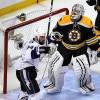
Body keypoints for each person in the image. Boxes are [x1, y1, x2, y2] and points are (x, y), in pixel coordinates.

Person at [44, 4, 99, 94]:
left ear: (81, 13)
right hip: (64, 46)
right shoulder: (63, 20)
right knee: (54, 65)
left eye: (77, 13)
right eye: (73, 12)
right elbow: (55, 33)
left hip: (80, 47)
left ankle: (86, 84)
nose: (74, 15)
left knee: (82, 68)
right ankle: (54, 84)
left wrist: (94, 50)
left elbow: (91, 38)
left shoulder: (87, 22)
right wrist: (52, 42)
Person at [15, 29, 50, 100]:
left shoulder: (36, 42)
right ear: (36, 37)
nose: (43, 39)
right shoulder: (31, 44)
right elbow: (31, 55)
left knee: (24, 91)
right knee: (35, 93)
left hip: (24, 69)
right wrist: (42, 50)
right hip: (25, 70)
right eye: (41, 37)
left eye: (44, 37)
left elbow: (47, 42)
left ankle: (22, 97)